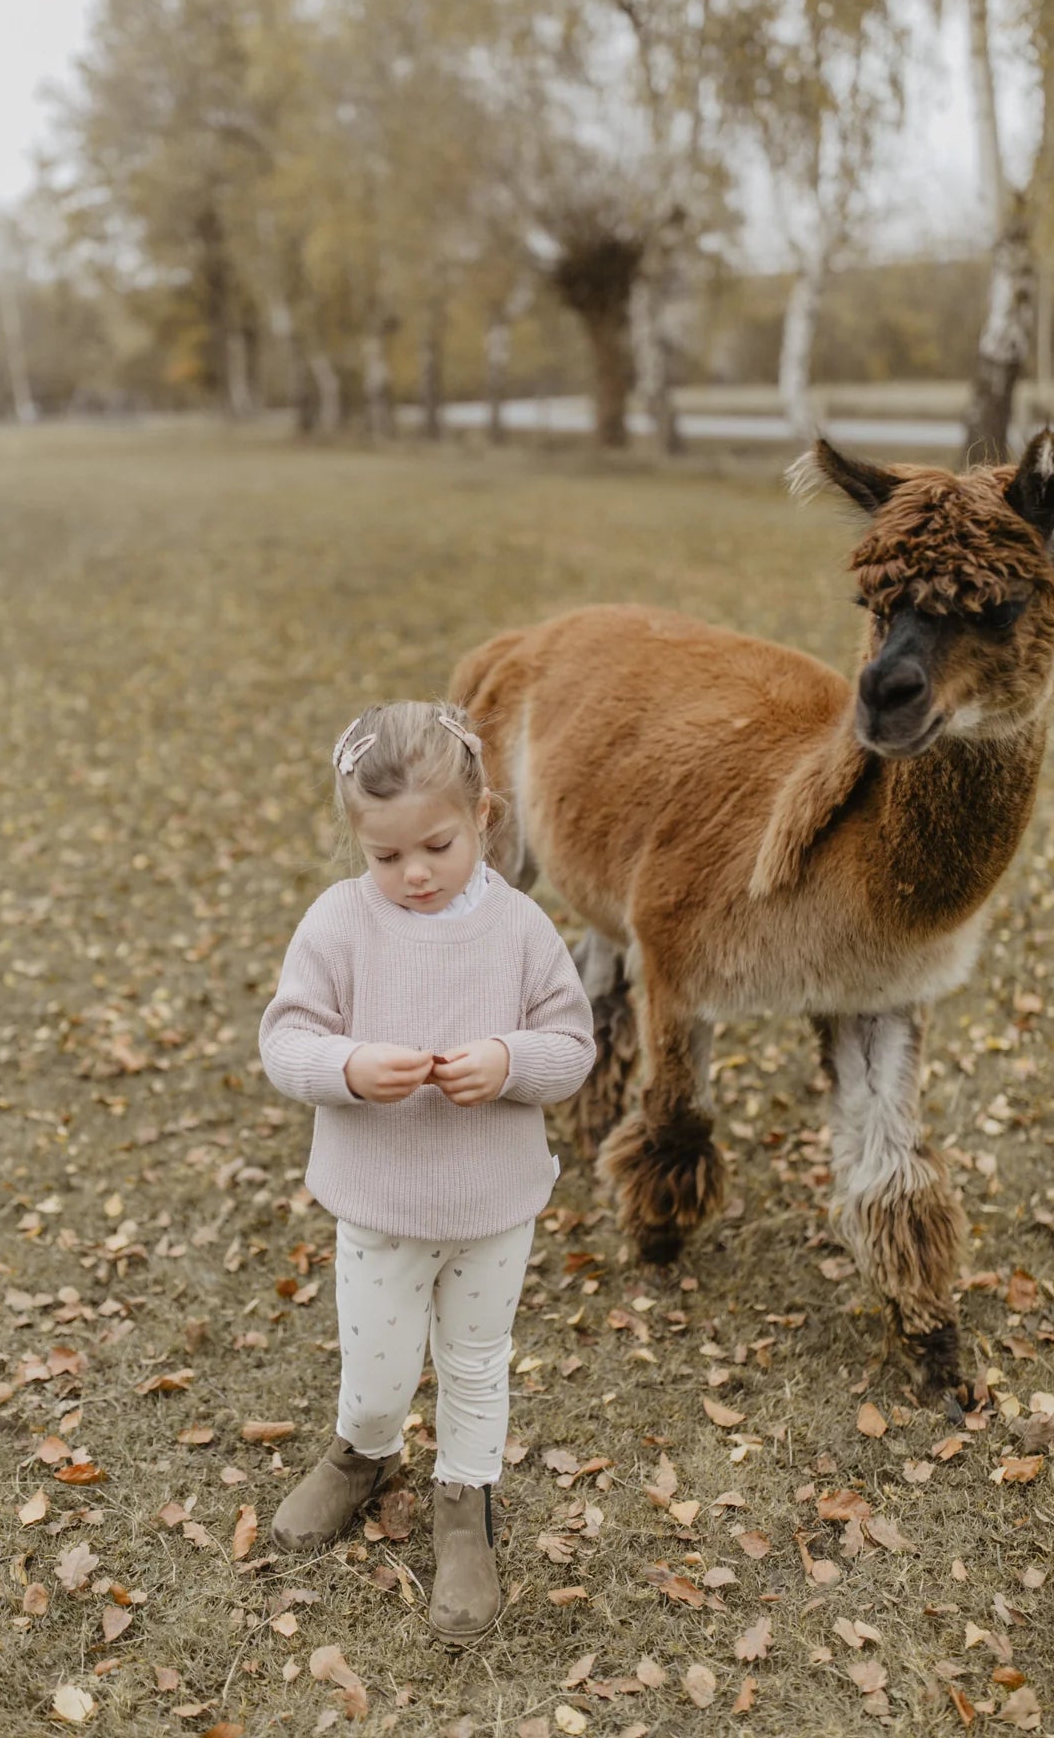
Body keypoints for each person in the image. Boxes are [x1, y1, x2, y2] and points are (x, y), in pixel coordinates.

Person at [258, 701, 595, 1640]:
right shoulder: (340, 923)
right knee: (377, 1369)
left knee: (477, 1364)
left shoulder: (522, 929)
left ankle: (464, 1508)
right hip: (381, 1208)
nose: (413, 874)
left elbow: (572, 1045)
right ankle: (361, 1454)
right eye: (386, 857)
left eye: (437, 848)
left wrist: (512, 1060)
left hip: (493, 1208)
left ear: (484, 815)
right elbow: (286, 1042)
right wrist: (350, 1070)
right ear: (358, 847)